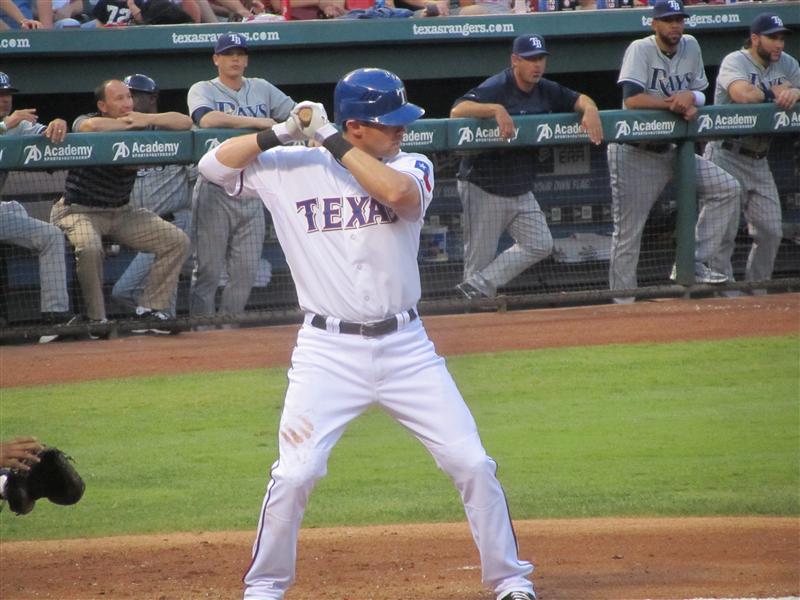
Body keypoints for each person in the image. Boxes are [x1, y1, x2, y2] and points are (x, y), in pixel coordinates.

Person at [197, 67, 537, 600]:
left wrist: (328, 138)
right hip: (326, 351)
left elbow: (398, 195)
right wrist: (281, 132)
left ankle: (511, 580)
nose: (402, 129)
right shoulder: (291, 166)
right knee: (296, 474)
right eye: (390, 122)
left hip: (407, 349)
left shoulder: (411, 164)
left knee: (472, 462)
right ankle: (264, 587)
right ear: (357, 126)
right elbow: (212, 165)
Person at [607, 0, 741, 302]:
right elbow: (632, 100)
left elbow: (701, 93)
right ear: (654, 23)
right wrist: (674, 104)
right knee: (629, 234)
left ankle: (692, 261)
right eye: (668, 20)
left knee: (727, 188)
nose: (675, 25)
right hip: (635, 152)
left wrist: (689, 96)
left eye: (679, 19)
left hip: (673, 149)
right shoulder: (640, 49)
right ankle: (621, 305)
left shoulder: (691, 45)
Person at [451, 34, 604, 300]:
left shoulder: (545, 89)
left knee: (540, 244)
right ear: (515, 60)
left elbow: (580, 98)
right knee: (479, 260)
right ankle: (473, 317)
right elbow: (458, 110)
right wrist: (495, 109)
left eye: (541, 58)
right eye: (531, 59)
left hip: (521, 188)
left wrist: (590, 109)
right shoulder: (498, 85)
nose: (537, 65)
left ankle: (478, 286)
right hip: (484, 186)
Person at [50, 79, 191, 333]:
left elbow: (185, 122)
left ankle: (150, 310)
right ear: (103, 105)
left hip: (121, 211)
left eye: (128, 97)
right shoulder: (88, 118)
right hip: (78, 210)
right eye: (119, 98)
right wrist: (131, 122)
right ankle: (97, 320)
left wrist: (146, 119)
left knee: (176, 240)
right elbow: (90, 126)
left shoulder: (142, 122)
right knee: (89, 247)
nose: (127, 103)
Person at [187, 32, 295, 322]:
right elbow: (206, 118)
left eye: (240, 54)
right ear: (216, 59)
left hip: (253, 187)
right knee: (208, 270)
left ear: (246, 60)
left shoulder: (261, 87)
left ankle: (228, 327)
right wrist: (259, 122)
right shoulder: (203, 88)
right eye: (228, 54)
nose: (235, 59)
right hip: (215, 188)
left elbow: (296, 114)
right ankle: (201, 329)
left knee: (246, 270)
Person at [703, 13, 800, 286]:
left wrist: (795, 92)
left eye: (781, 38)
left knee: (771, 231)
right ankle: (724, 295)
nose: (779, 44)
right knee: (724, 235)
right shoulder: (735, 60)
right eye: (772, 38)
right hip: (726, 153)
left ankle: (757, 291)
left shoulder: (787, 63)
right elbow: (742, 94)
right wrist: (773, 93)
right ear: (755, 38)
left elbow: (797, 87)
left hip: (759, 158)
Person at [111, 74, 195, 322]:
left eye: (134, 96)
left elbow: (187, 122)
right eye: (126, 96)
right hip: (144, 227)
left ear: (152, 98)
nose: (130, 102)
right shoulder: (122, 133)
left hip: (176, 221)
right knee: (147, 295)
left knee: (129, 291)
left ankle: (162, 324)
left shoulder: (172, 130)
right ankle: (158, 322)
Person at [0, 72, 74, 342]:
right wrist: (5, 125)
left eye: (7, 94)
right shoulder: (10, 123)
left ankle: (55, 317)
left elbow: (46, 133)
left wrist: (57, 123)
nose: (5, 99)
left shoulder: (17, 125)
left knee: (50, 235)